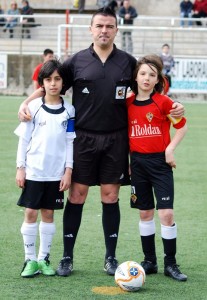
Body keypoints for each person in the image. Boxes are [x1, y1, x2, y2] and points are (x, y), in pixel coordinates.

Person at [18, 7, 185, 278]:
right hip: (83, 139)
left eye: (109, 26)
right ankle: (67, 257)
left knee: (110, 195)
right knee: (77, 195)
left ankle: (110, 257)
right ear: (91, 29)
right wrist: (26, 103)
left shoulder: (128, 62)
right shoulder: (76, 61)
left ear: (117, 29)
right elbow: (52, 83)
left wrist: (173, 104)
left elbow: (149, 86)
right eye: (99, 26)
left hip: (116, 140)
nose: (104, 31)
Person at [127, 54, 188, 282]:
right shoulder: (128, 103)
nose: (146, 78)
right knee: (145, 213)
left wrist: (169, 149)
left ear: (157, 80)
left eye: (152, 75)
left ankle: (170, 264)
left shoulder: (163, 102)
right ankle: (149, 261)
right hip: (138, 164)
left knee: (166, 213)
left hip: (160, 165)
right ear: (136, 77)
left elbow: (181, 127)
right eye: (143, 73)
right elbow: (125, 136)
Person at [14, 59, 76, 278]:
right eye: (48, 79)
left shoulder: (69, 110)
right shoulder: (32, 107)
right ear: (42, 82)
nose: (53, 84)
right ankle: (29, 260)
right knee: (30, 212)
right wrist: (20, 167)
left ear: (63, 82)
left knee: (48, 214)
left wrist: (68, 171)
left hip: (56, 173)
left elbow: (70, 142)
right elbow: (23, 140)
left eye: (57, 79)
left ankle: (44, 259)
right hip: (33, 171)